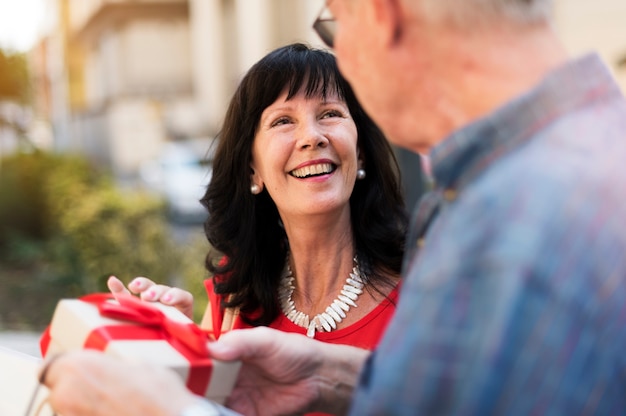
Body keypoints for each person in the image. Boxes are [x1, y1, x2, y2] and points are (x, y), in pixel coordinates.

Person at [41, 0, 626, 415]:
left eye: (333, 25)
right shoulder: (568, 173)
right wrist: (327, 375)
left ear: (380, 14)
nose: (312, 137)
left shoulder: (514, 229)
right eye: (283, 122)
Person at [109, 42, 407, 350]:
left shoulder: (421, 295)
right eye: (282, 121)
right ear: (253, 170)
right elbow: (201, 399)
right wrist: (181, 351)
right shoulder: (235, 298)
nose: (311, 137)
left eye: (330, 113)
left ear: (360, 153)